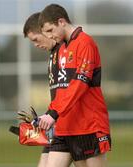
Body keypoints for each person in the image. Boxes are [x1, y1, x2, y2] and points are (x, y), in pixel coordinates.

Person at [38, 4, 111, 167]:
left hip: (89, 126)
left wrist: (53, 113)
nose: (50, 36)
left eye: (51, 30)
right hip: (64, 126)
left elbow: (79, 84)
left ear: (62, 22)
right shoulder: (62, 49)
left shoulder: (85, 42)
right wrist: (47, 115)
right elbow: (62, 90)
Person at [23, 12, 73, 167]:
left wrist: (53, 115)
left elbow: (71, 90)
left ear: (44, 31)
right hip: (58, 125)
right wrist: (44, 118)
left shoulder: (66, 51)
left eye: (36, 39)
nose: (36, 45)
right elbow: (59, 95)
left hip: (73, 125)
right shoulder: (54, 55)